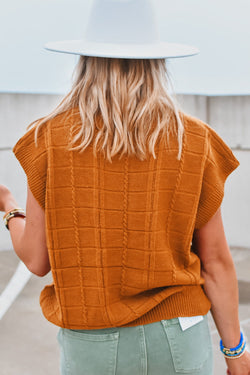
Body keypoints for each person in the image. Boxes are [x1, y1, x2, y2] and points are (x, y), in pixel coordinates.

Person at [1, 0, 250, 374]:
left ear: (84, 63)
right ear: (157, 65)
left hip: (92, 345)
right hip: (180, 335)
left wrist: (9, 208)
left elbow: (37, 259)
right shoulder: (193, 140)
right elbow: (215, 262)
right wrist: (236, 354)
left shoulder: (48, 139)